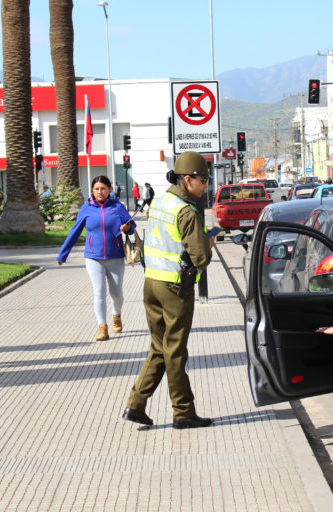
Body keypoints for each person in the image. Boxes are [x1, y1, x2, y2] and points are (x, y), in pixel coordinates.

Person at [123, 151, 214, 429]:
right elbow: (201, 258)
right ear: (187, 180)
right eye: (203, 179)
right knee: (174, 350)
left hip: (151, 284)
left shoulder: (160, 202)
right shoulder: (186, 212)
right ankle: (183, 412)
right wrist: (208, 246)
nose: (206, 185)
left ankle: (136, 404)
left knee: (159, 348)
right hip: (175, 289)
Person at [57, 175, 135, 341]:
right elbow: (75, 232)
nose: (100, 192)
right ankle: (102, 327)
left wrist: (127, 227)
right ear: (92, 191)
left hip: (115, 257)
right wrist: (63, 254)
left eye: (103, 189)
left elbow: (131, 226)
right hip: (93, 257)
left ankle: (116, 315)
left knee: (117, 294)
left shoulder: (117, 207)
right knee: (99, 292)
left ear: (110, 190)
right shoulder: (86, 208)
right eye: (97, 189)